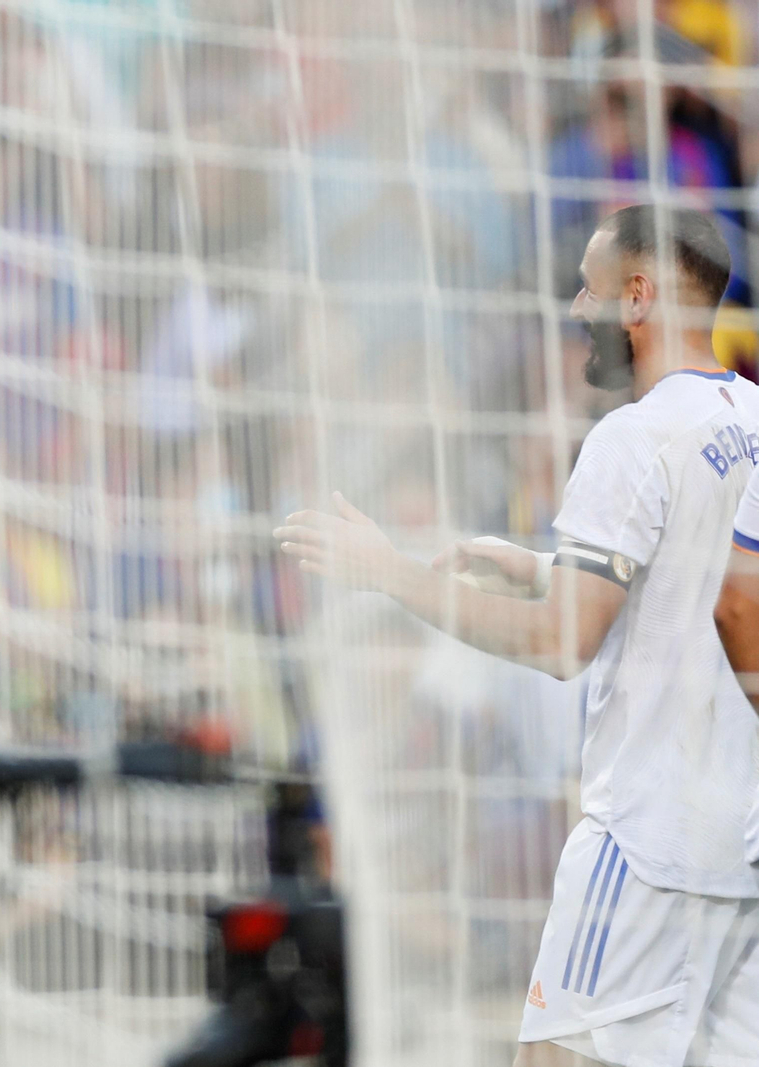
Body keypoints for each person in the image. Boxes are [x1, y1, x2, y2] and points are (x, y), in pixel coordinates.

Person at [277, 206, 759, 1067]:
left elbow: (563, 644)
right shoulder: (750, 421)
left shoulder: (633, 437)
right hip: (742, 852)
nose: (577, 307)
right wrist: (545, 567)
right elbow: (712, 592)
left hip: (647, 843)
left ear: (639, 298)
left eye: (590, 286)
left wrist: (390, 571)